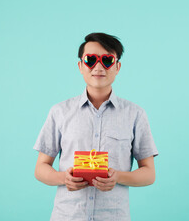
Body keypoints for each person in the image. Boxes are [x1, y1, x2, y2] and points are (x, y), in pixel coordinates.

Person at [33, 32, 158, 221]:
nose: (98, 66)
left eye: (107, 60)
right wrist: (63, 178)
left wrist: (118, 177)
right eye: (90, 59)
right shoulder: (59, 112)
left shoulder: (135, 114)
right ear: (80, 66)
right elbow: (40, 168)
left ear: (117, 67)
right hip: (67, 216)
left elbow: (149, 173)